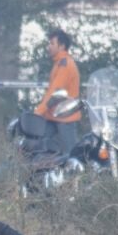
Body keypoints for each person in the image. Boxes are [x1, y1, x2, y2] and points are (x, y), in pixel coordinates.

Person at [32, 28, 82, 158]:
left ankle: (78, 177)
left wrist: (38, 113)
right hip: (54, 116)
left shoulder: (65, 65)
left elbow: (54, 92)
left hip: (65, 116)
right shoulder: (60, 63)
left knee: (71, 154)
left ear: (62, 46)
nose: (49, 47)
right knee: (40, 146)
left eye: (52, 43)